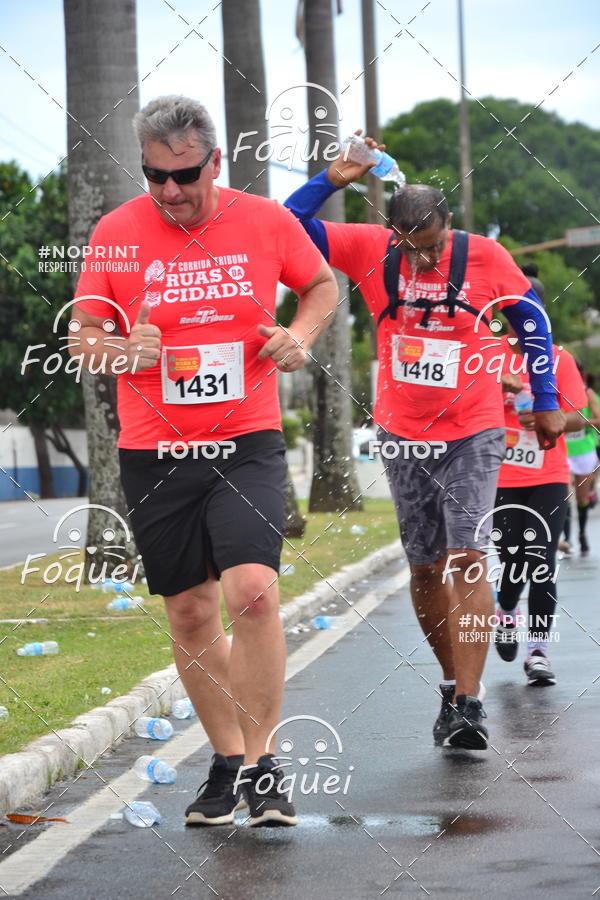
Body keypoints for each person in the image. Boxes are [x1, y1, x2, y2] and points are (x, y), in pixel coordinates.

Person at [69, 96, 338, 827]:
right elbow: (82, 333)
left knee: (252, 591)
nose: (170, 192)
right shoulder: (118, 233)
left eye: (184, 175)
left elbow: (320, 285)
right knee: (189, 614)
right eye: (155, 176)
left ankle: (264, 764)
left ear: (215, 161)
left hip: (245, 441)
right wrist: (126, 351)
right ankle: (226, 764)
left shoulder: (264, 220)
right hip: (153, 451)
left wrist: (300, 334)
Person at [285, 136, 564, 750]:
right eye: (410, 250)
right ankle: (448, 683)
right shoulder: (367, 246)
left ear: (448, 227)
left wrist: (544, 400)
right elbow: (284, 226)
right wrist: (331, 178)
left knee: (467, 554)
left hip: (476, 426)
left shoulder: (488, 257)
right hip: (403, 431)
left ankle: (470, 703)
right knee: (425, 565)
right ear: (393, 234)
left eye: (432, 246)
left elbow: (532, 322)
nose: (422, 260)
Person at [493, 328, 588, 685]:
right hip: (501, 475)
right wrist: (497, 389)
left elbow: (580, 415)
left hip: (548, 475)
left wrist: (552, 417)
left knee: (542, 561)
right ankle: (505, 611)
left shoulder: (558, 358)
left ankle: (538, 652)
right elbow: (461, 403)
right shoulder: (489, 354)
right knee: (511, 558)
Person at [563, 363, 600, 555]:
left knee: (582, 497)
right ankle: (567, 538)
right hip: (563, 451)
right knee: (566, 495)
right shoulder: (556, 389)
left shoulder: (587, 393)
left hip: (584, 450)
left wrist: (578, 423)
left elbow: (599, 420)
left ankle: (582, 534)